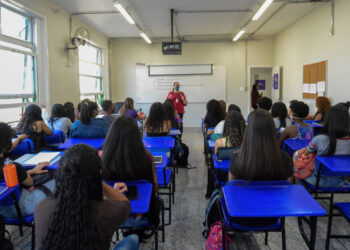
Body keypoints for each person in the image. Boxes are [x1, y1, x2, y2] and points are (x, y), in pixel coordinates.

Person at [34, 144, 139, 250]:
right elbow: (124, 202)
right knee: (133, 239)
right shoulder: (110, 211)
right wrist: (97, 179)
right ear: (99, 173)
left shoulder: (41, 207)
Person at [228, 110, 293, 226]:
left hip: (239, 216)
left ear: (248, 131)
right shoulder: (285, 159)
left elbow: (232, 189)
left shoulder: (238, 158)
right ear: (272, 130)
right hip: (272, 217)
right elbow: (286, 191)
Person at [102, 116, 159, 228]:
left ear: (111, 135)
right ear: (137, 136)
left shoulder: (104, 159)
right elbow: (155, 187)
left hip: (113, 214)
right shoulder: (146, 157)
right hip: (144, 213)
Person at [0, 122, 54, 218]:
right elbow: (29, 182)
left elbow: (15, 179)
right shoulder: (13, 167)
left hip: (2, 212)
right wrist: (32, 172)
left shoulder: (14, 169)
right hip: (19, 209)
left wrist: (32, 171)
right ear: (6, 144)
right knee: (55, 180)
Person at [295, 105, 350, 187]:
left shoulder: (319, 139)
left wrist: (298, 153)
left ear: (328, 120)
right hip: (341, 181)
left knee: (295, 168)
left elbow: (305, 154)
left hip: (318, 180)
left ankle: (304, 194)